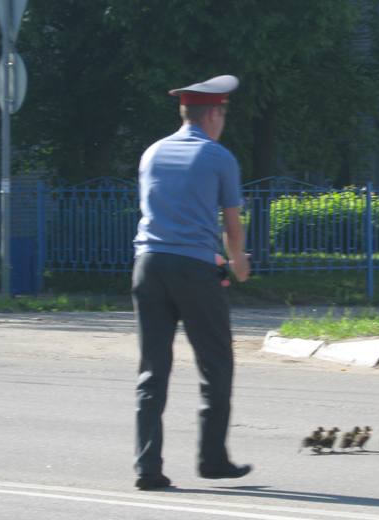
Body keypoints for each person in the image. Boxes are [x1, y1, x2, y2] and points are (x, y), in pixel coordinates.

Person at [131, 74, 252, 490]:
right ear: (214, 114)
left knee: (153, 369)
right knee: (215, 363)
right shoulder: (219, 157)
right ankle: (212, 459)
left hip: (148, 265)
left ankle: (147, 467)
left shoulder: (152, 153)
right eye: (223, 114)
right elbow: (231, 225)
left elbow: (168, 215)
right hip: (195, 272)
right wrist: (237, 263)